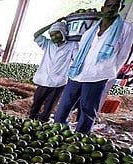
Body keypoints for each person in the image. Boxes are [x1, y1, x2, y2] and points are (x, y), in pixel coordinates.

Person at [54, 0, 133, 134]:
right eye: (109, 6)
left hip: (98, 76)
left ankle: (80, 137)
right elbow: (81, 49)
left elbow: (123, 55)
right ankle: (58, 132)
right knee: (63, 107)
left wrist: (108, 72)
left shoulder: (126, 28)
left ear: (120, 8)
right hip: (78, 73)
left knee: (87, 110)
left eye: (116, 6)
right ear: (103, 8)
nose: (111, 9)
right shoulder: (93, 28)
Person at [28, 19, 79, 122]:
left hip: (58, 82)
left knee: (49, 106)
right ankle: (31, 119)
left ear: (63, 33)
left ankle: (43, 122)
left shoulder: (72, 45)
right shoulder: (48, 44)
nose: (54, 37)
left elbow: (77, 59)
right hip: (43, 80)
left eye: (57, 34)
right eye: (52, 35)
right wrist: (52, 24)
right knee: (36, 102)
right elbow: (36, 35)